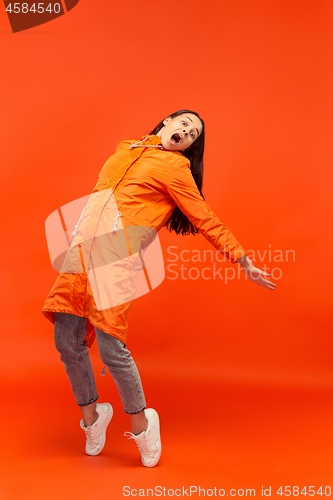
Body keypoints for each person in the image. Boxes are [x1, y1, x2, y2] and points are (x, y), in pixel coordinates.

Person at [42, 109, 277, 468]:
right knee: (67, 340)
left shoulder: (177, 169)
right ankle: (92, 417)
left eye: (194, 133)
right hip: (81, 251)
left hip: (116, 256)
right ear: (165, 123)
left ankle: (142, 423)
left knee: (110, 347)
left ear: (190, 147)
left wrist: (242, 259)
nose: (186, 130)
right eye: (183, 122)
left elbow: (203, 216)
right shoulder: (128, 147)